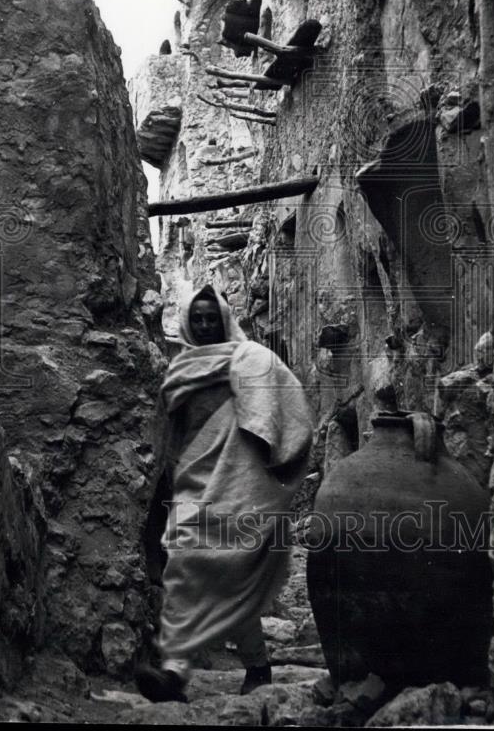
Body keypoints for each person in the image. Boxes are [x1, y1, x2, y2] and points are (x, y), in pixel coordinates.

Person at [136, 284, 313, 703]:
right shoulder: (179, 370)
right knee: (183, 568)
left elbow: (283, 407)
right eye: (196, 319)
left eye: (210, 318)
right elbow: (170, 433)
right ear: (186, 323)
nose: (203, 325)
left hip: (238, 485)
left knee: (230, 575)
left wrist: (269, 462)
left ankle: (255, 664)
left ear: (224, 319)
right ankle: (175, 673)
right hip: (193, 485)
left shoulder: (250, 358)